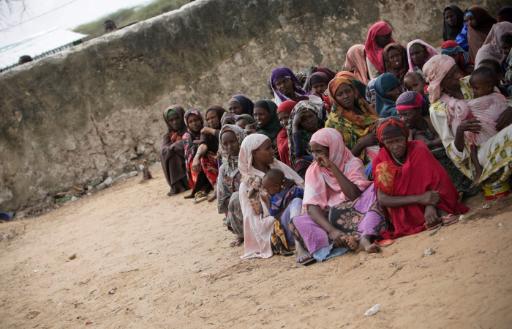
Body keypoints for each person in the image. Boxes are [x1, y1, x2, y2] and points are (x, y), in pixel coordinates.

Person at [290, 128, 385, 265]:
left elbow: (354, 194)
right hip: (329, 220)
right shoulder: (313, 169)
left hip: (355, 210)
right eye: (313, 152)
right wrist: (332, 231)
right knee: (298, 221)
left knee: (374, 191)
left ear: (334, 148)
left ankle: (363, 238)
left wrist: (333, 167)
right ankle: (339, 242)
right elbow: (311, 207)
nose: (316, 157)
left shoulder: (353, 163)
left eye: (320, 151)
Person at [423, 54, 512, 187]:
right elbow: (454, 153)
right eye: (451, 75)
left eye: (456, 70)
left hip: (500, 130)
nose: (459, 76)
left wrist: (510, 110)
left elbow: (499, 100)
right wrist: (460, 131)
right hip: (477, 155)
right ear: (441, 82)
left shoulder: (472, 81)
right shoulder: (438, 110)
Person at [373, 118, 468, 238]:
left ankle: (439, 212)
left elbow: (438, 181)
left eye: (399, 140)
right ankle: (432, 217)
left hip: (432, 199)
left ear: (406, 137)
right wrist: (420, 199)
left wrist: (430, 205)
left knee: (443, 185)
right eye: (390, 142)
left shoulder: (418, 149)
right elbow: (383, 199)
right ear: (383, 143)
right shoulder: (380, 161)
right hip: (407, 208)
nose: (396, 146)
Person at [396, 91, 477, 197]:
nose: (403, 119)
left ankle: (461, 187)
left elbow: (446, 138)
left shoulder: (431, 119)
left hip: (449, 154)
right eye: (400, 116)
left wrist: (431, 143)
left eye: (406, 114)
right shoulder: (408, 130)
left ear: (419, 110)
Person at [238, 134, 304, 259]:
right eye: (267, 149)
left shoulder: (278, 167)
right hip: (276, 229)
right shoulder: (248, 186)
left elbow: (303, 186)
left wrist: (291, 187)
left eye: (272, 147)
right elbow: (254, 224)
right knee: (296, 202)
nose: (272, 151)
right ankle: (299, 243)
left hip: (296, 214)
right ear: (254, 153)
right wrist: (280, 211)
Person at [444, 66, 508, 181]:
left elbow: (503, 107)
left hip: (497, 132)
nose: (473, 91)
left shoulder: (496, 96)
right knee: (472, 145)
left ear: (489, 87)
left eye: (476, 88)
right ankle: (478, 170)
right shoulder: (437, 108)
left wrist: (455, 104)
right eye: (472, 88)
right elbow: (466, 109)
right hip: (481, 141)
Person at [325, 72, 379, 161]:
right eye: (340, 94)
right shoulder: (332, 124)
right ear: (334, 98)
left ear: (354, 91)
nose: (345, 96)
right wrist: (361, 144)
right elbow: (340, 159)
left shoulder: (364, 107)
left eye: (348, 91)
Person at [217, 124, 245, 246]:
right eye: (225, 143)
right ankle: (241, 233)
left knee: (236, 197)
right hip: (237, 208)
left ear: (240, 139)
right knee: (233, 199)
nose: (229, 146)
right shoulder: (224, 168)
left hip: (255, 205)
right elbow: (223, 196)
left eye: (233, 141)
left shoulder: (250, 160)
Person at [183, 109, 219, 203]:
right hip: (199, 165)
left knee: (206, 155)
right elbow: (194, 148)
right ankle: (205, 187)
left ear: (201, 120)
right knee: (201, 157)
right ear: (187, 124)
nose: (194, 123)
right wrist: (197, 156)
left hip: (215, 159)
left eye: (196, 120)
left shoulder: (207, 130)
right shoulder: (187, 135)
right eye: (190, 122)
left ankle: (213, 185)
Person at [287, 99, 323, 176]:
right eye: (303, 120)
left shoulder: (325, 126)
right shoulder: (301, 135)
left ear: (316, 115)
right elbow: (298, 154)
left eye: (311, 116)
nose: (309, 121)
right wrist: (295, 126)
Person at [160, 106, 189, 196]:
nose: (175, 122)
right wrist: (172, 148)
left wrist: (175, 146)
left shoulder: (189, 129)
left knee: (173, 152)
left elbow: (189, 142)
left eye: (177, 118)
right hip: (177, 164)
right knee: (169, 154)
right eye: (171, 120)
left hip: (188, 166)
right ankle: (178, 185)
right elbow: (163, 150)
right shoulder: (168, 135)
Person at [276, 100, 297, 166]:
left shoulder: (307, 129)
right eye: (280, 120)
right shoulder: (281, 135)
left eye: (286, 117)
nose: (284, 122)